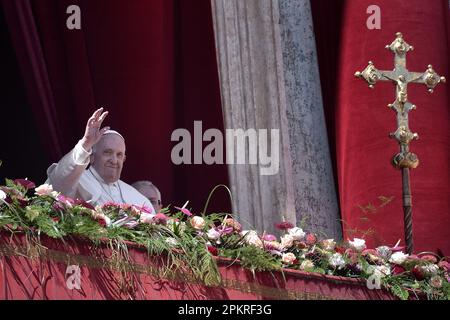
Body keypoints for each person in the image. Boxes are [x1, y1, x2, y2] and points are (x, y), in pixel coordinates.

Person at [46, 108, 154, 212]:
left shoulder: (139, 199)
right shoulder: (76, 179)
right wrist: (86, 143)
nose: (114, 160)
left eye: (119, 155)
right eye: (107, 152)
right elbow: (56, 186)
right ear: (92, 156)